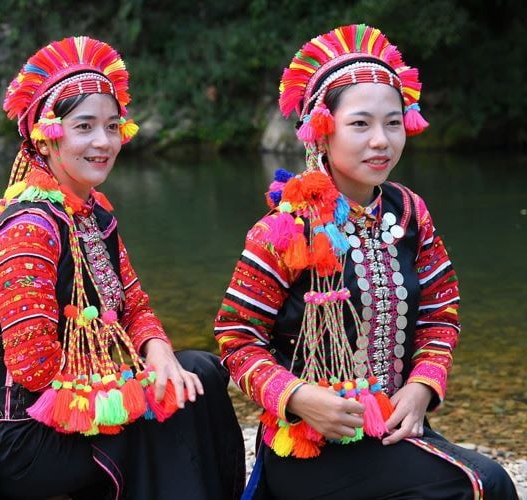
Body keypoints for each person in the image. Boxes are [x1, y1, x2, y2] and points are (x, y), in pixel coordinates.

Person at [215, 24, 517, 499]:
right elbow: (236, 338)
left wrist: (421, 386)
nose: (381, 140)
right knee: (482, 483)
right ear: (323, 128)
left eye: (392, 122)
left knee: (486, 482)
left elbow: (442, 310)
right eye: (361, 124)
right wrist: (298, 398)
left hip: (394, 428)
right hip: (311, 446)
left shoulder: (410, 211)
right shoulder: (284, 227)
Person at [0, 36, 245, 499]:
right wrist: (132, 388)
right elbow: (35, 368)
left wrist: (158, 352)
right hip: (31, 431)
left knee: (198, 371)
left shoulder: (93, 211)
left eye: (113, 126)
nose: (104, 142)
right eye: (84, 127)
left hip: (91, 395)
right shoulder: (26, 227)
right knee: (171, 414)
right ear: (46, 134)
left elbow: (134, 303)